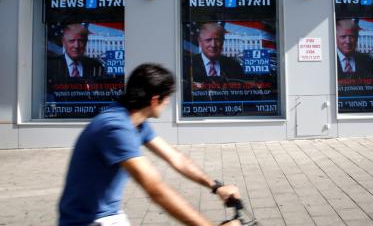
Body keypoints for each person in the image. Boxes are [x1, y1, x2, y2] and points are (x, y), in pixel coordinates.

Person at [58, 63, 241, 226]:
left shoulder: (136, 121)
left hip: (109, 216)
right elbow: (155, 189)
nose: (168, 102)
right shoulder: (115, 127)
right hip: (87, 221)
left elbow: (176, 159)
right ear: (155, 100)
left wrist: (216, 186)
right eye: (167, 97)